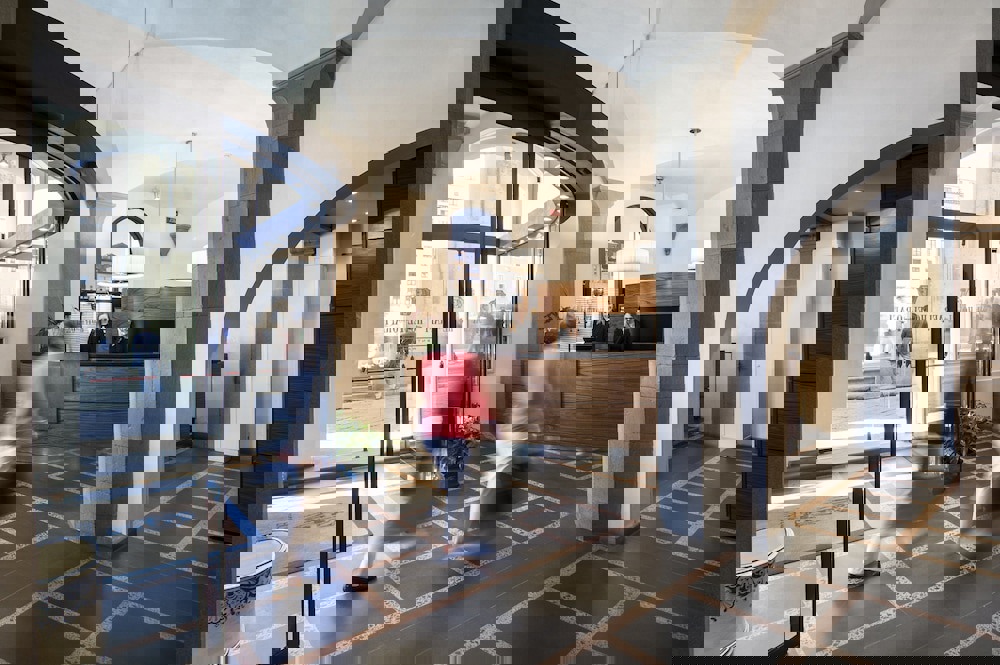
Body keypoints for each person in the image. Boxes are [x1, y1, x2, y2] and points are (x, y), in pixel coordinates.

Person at [343, 342, 487, 592]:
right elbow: (471, 409)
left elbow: (425, 402)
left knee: (415, 502)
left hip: (425, 437)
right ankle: (461, 544)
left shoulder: (430, 363)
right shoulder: (467, 364)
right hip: (447, 440)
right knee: (446, 498)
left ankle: (365, 568)